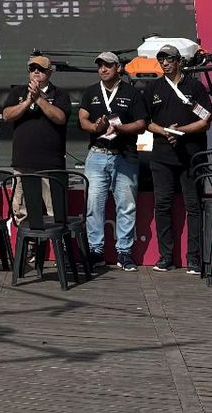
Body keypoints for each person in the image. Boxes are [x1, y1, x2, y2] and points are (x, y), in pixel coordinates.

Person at [143, 44, 212, 273]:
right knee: (162, 205)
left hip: (191, 155)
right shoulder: (153, 87)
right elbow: (145, 122)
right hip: (162, 156)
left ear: (179, 61)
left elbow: (206, 120)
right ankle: (165, 256)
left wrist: (180, 131)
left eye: (169, 59)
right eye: (161, 59)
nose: (164, 63)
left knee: (194, 206)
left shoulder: (195, 86)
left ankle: (194, 257)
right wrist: (165, 131)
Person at [77, 51, 148, 270]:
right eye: (100, 66)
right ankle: (95, 251)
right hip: (97, 154)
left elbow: (142, 123)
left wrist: (122, 128)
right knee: (93, 205)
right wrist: (95, 128)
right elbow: (82, 118)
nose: (103, 69)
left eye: (108, 65)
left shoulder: (132, 93)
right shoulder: (91, 91)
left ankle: (124, 252)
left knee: (126, 206)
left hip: (124, 155)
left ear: (118, 68)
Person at [0, 54, 71, 224]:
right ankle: (28, 248)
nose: (36, 72)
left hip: (50, 164)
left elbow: (60, 118)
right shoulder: (18, 91)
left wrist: (39, 99)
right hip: (23, 163)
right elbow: (6, 115)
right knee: (22, 212)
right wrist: (26, 102)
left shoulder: (60, 93)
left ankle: (56, 249)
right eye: (32, 69)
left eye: (41, 69)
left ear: (50, 72)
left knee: (54, 212)